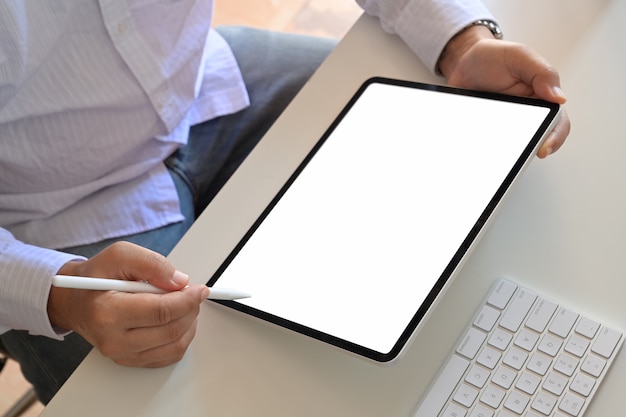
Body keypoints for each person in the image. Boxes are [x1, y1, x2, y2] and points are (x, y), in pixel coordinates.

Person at [0, 0, 570, 405]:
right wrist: (59, 294)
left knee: (448, 149)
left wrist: (462, 42)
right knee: (228, 392)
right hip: (52, 215)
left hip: (200, 81)